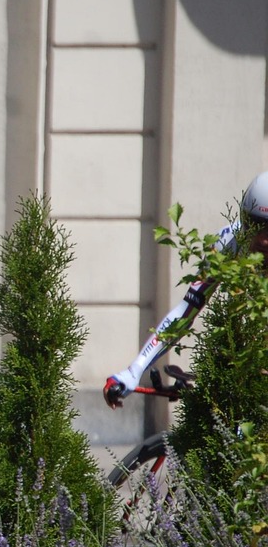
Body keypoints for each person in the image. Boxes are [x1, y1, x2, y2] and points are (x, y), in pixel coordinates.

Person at [103, 170, 268, 408]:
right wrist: (134, 370)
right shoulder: (226, 244)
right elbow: (185, 312)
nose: (263, 240)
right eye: (256, 225)